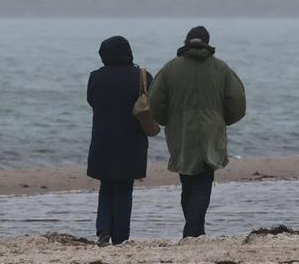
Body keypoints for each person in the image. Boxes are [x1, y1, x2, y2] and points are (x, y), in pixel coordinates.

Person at [148, 26, 245, 238]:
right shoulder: (221, 68)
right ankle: (195, 230)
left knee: (187, 182)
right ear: (207, 42)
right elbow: (237, 101)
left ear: (185, 42)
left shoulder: (170, 68)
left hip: (181, 131)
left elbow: (154, 101)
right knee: (204, 181)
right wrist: (222, 119)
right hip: (211, 131)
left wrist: (166, 120)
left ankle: (193, 230)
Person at [86, 36, 153, 246]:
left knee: (106, 186)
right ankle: (121, 236)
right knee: (124, 188)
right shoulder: (142, 76)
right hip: (132, 141)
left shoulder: (96, 77)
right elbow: (153, 104)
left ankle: (103, 229)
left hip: (103, 140)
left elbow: (91, 101)